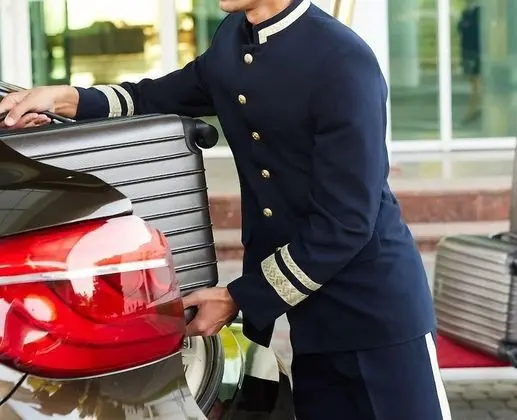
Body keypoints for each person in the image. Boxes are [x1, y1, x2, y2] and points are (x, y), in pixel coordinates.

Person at [0, 0, 451, 418]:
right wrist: (61, 98)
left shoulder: (343, 60)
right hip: (310, 319)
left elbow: (346, 223)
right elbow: (154, 96)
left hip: (378, 317)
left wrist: (239, 297)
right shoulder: (233, 38)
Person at [457, 0, 482, 123]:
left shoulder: (478, 13)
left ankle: (474, 109)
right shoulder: (467, 13)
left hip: (476, 52)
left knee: (476, 82)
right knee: (474, 82)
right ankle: (475, 108)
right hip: (469, 51)